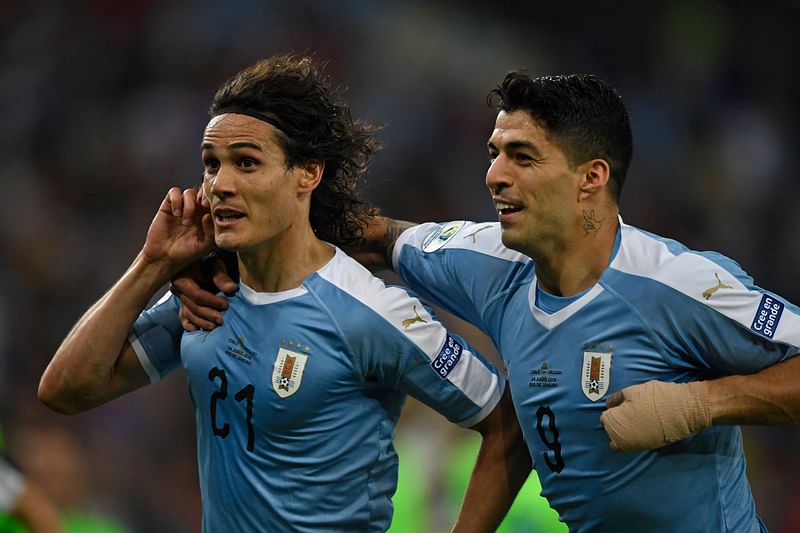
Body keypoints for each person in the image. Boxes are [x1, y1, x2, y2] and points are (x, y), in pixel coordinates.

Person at [174, 71, 800, 532]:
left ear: (591, 178)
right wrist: (220, 258)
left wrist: (702, 402)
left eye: (522, 157)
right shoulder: (479, 260)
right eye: (494, 153)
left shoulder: (678, 285)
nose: (494, 175)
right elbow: (362, 232)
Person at [37, 55, 530, 532]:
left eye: (246, 163)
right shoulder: (207, 296)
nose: (220, 185)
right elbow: (65, 391)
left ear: (307, 173)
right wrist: (153, 264)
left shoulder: (369, 312)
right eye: (211, 164)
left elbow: (506, 425)